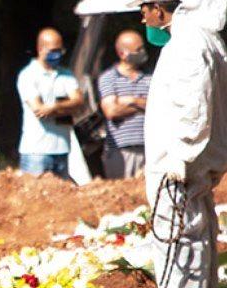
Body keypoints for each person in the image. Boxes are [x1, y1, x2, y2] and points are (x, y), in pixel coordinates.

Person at [131, 0, 227, 288]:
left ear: (158, 9)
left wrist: (182, 155)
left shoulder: (188, 44)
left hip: (180, 162)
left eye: (144, 10)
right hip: (189, 160)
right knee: (194, 232)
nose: (143, 19)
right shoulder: (201, 39)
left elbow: (194, 105)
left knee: (179, 235)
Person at [16, 28, 84, 178]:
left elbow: (79, 101)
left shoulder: (67, 74)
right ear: (40, 49)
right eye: (53, 50)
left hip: (63, 149)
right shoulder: (28, 75)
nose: (57, 54)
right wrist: (69, 108)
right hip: (36, 152)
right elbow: (39, 110)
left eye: (60, 50)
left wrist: (54, 107)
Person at [97, 30, 151, 179]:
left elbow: (158, 106)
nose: (142, 52)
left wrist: (132, 101)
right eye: (138, 50)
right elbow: (111, 111)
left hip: (149, 148)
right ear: (122, 53)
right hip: (121, 151)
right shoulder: (109, 78)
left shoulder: (150, 77)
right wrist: (142, 106)